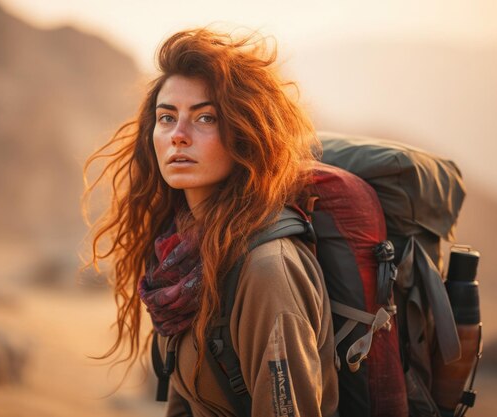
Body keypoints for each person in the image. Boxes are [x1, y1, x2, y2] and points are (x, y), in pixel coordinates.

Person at [84, 28, 339, 417]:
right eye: (166, 117)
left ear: (245, 134)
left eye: (205, 117)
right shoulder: (181, 258)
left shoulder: (268, 272)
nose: (178, 136)